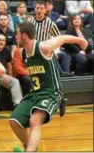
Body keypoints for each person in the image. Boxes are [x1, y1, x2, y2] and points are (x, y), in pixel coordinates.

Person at [9, 22, 88, 152]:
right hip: (35, 93)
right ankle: (29, 147)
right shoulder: (22, 53)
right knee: (13, 121)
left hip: (51, 92)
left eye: (17, 34)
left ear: (24, 36)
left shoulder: (43, 47)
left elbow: (62, 38)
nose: (15, 37)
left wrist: (80, 40)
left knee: (35, 120)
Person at [0, 34, 23, 107]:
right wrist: (3, 75)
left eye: (3, 40)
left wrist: (9, 76)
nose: (1, 42)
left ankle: (18, 104)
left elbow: (9, 63)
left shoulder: (7, 50)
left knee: (15, 81)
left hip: (3, 75)